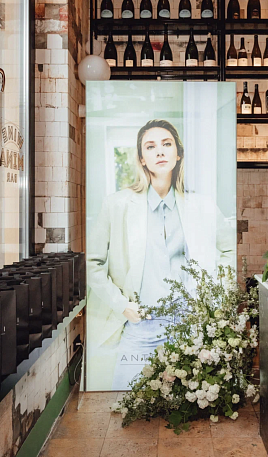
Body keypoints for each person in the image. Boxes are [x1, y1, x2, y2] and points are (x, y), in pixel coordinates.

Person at [86, 119, 235, 390]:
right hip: (141, 324)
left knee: (183, 410)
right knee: (126, 400)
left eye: (167, 144)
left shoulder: (201, 205)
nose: (160, 151)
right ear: (142, 159)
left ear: (178, 154)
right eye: (151, 146)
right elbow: (92, 264)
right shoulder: (117, 204)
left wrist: (213, 295)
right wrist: (122, 305)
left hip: (190, 325)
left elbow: (230, 249)